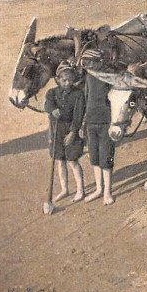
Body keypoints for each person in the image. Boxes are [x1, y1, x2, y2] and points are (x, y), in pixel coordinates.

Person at [78, 50, 117, 205]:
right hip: (91, 123)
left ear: (98, 62)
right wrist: (83, 123)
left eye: (88, 63)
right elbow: (86, 100)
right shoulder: (88, 78)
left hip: (106, 123)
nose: (86, 66)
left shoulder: (108, 78)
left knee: (106, 158)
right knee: (94, 158)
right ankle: (99, 189)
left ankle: (107, 191)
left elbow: (116, 100)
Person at [44, 61, 85, 203]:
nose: (67, 83)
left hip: (71, 130)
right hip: (57, 130)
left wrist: (73, 132)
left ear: (74, 80)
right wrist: (52, 109)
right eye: (64, 80)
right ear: (58, 79)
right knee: (60, 161)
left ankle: (80, 190)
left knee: (72, 160)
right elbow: (47, 104)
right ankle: (64, 189)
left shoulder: (78, 94)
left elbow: (78, 115)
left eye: (70, 80)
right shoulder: (52, 93)